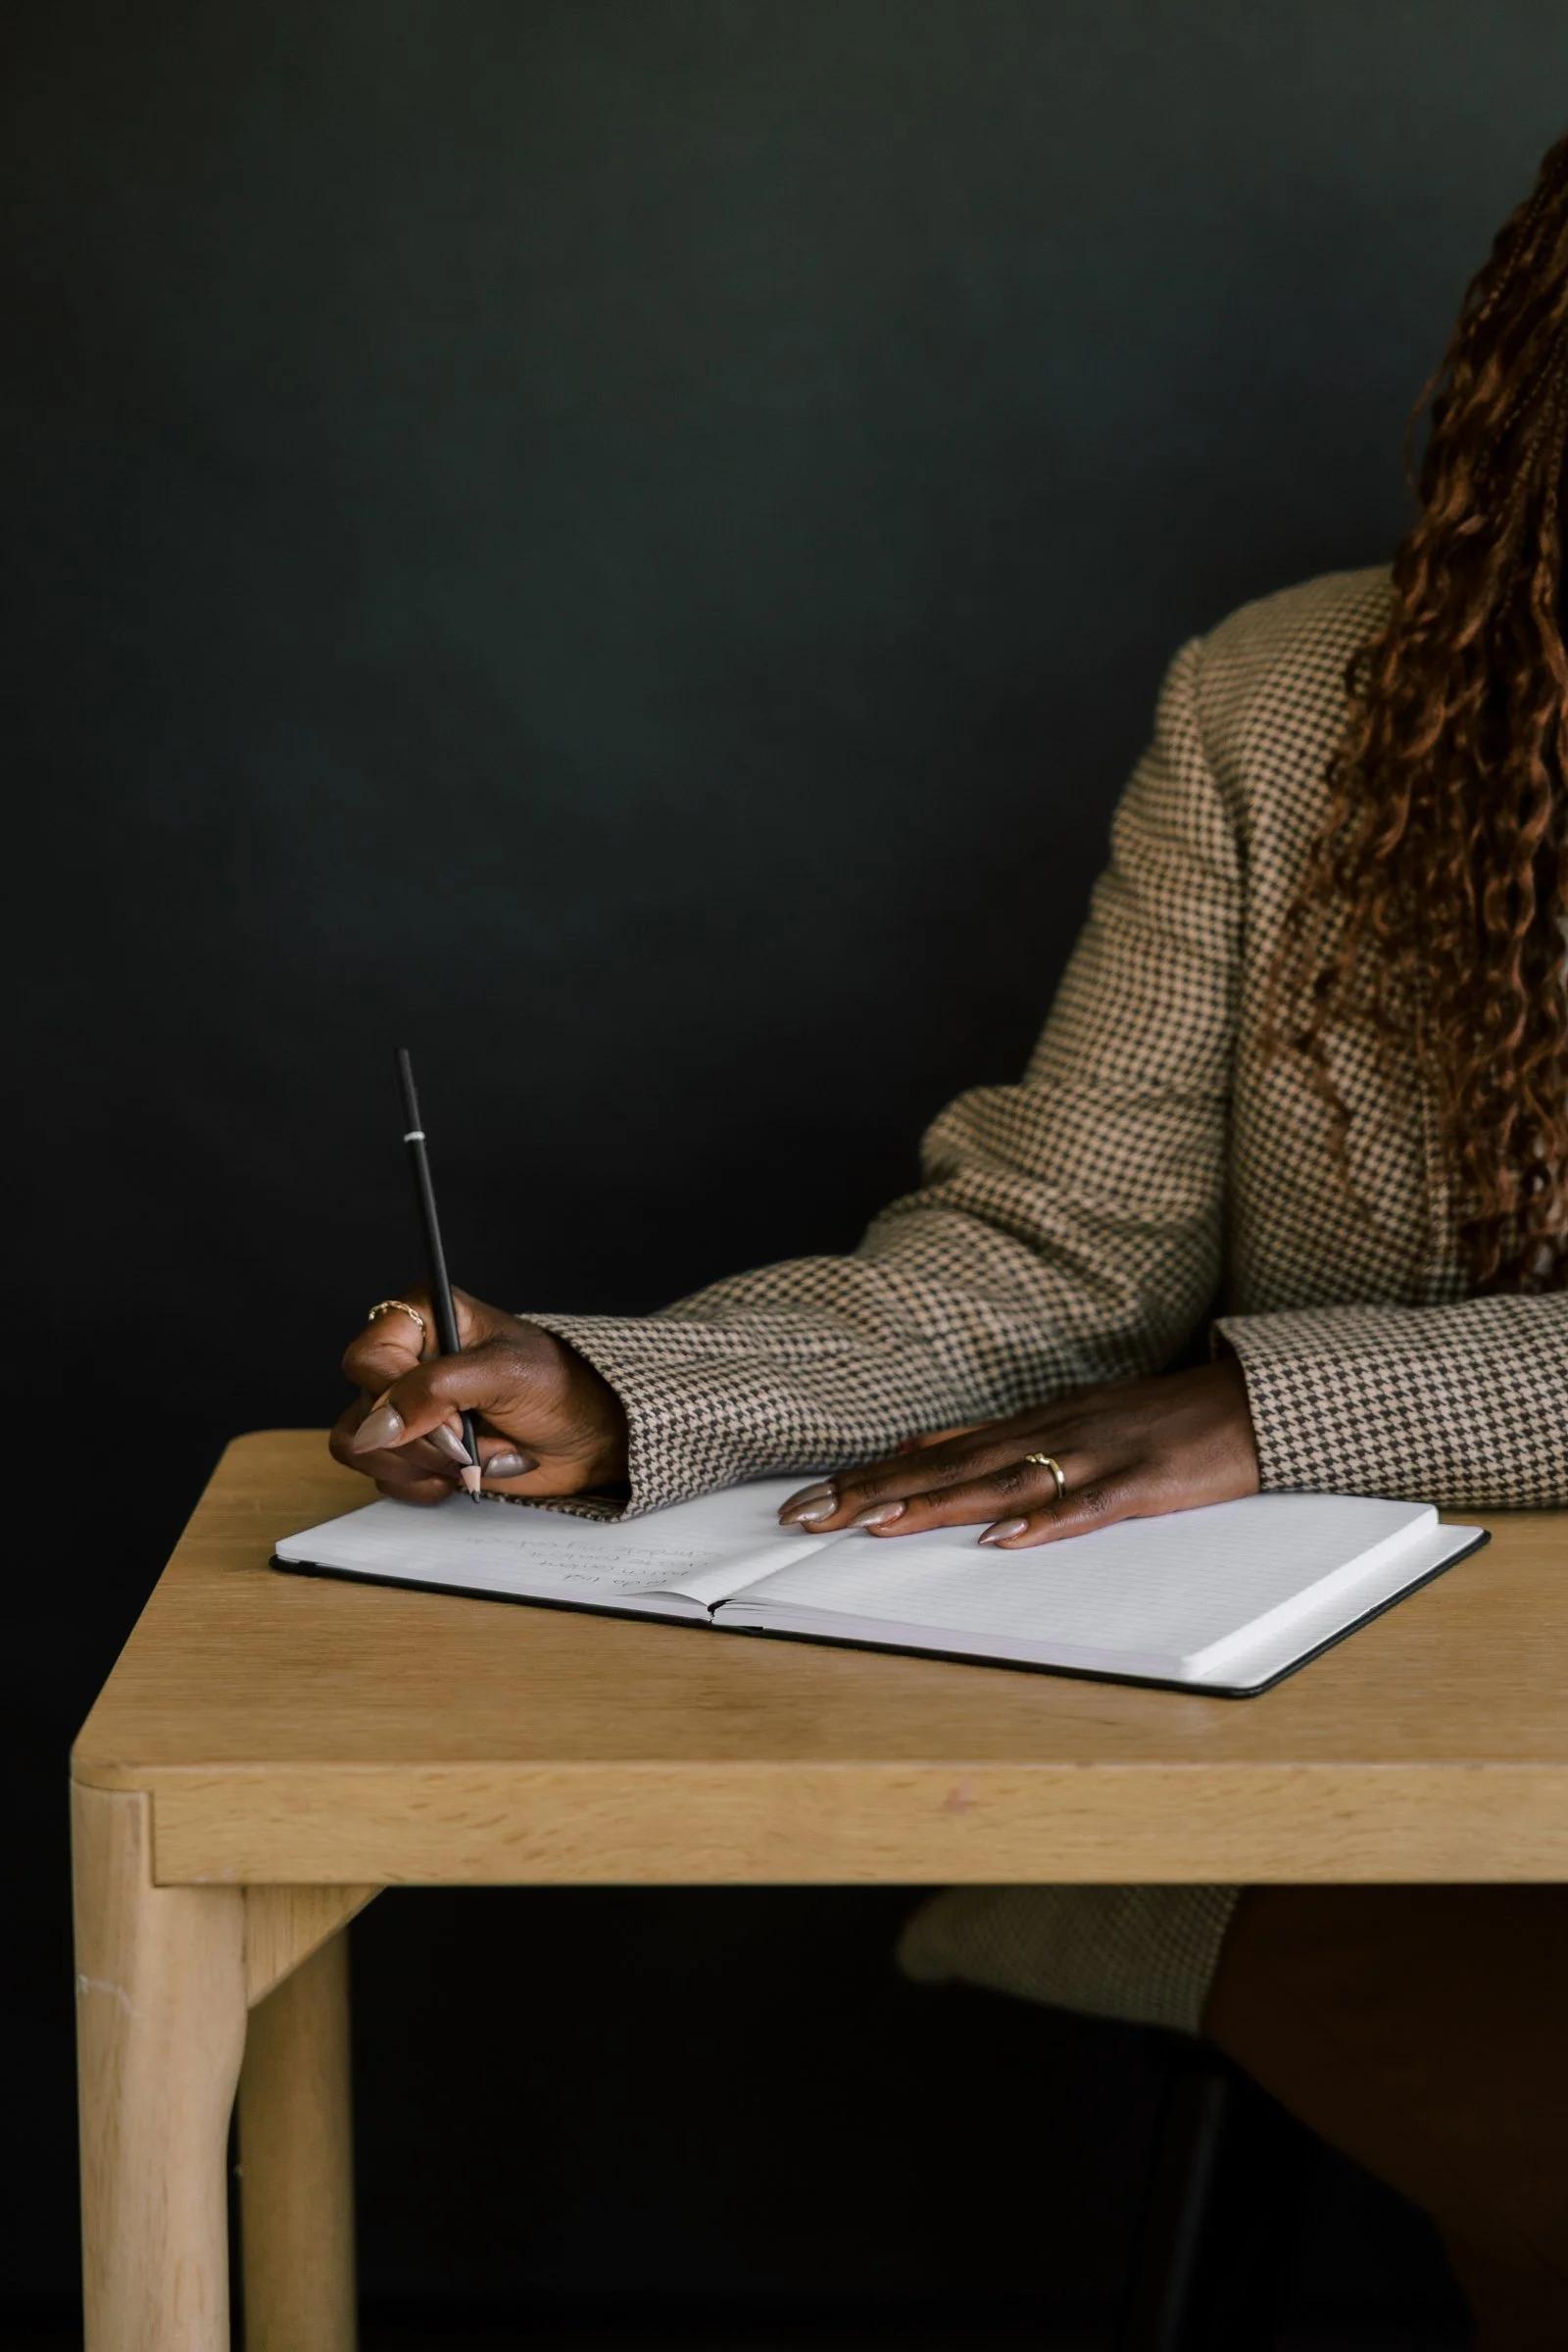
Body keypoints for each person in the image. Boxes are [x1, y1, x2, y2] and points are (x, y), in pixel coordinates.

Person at [333, 131, 1568, 2348]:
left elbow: (1204, 1371)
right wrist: (629, 1391)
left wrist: (1270, 1400)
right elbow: (1049, 1255)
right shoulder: (1289, 709)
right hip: (1344, 1773)